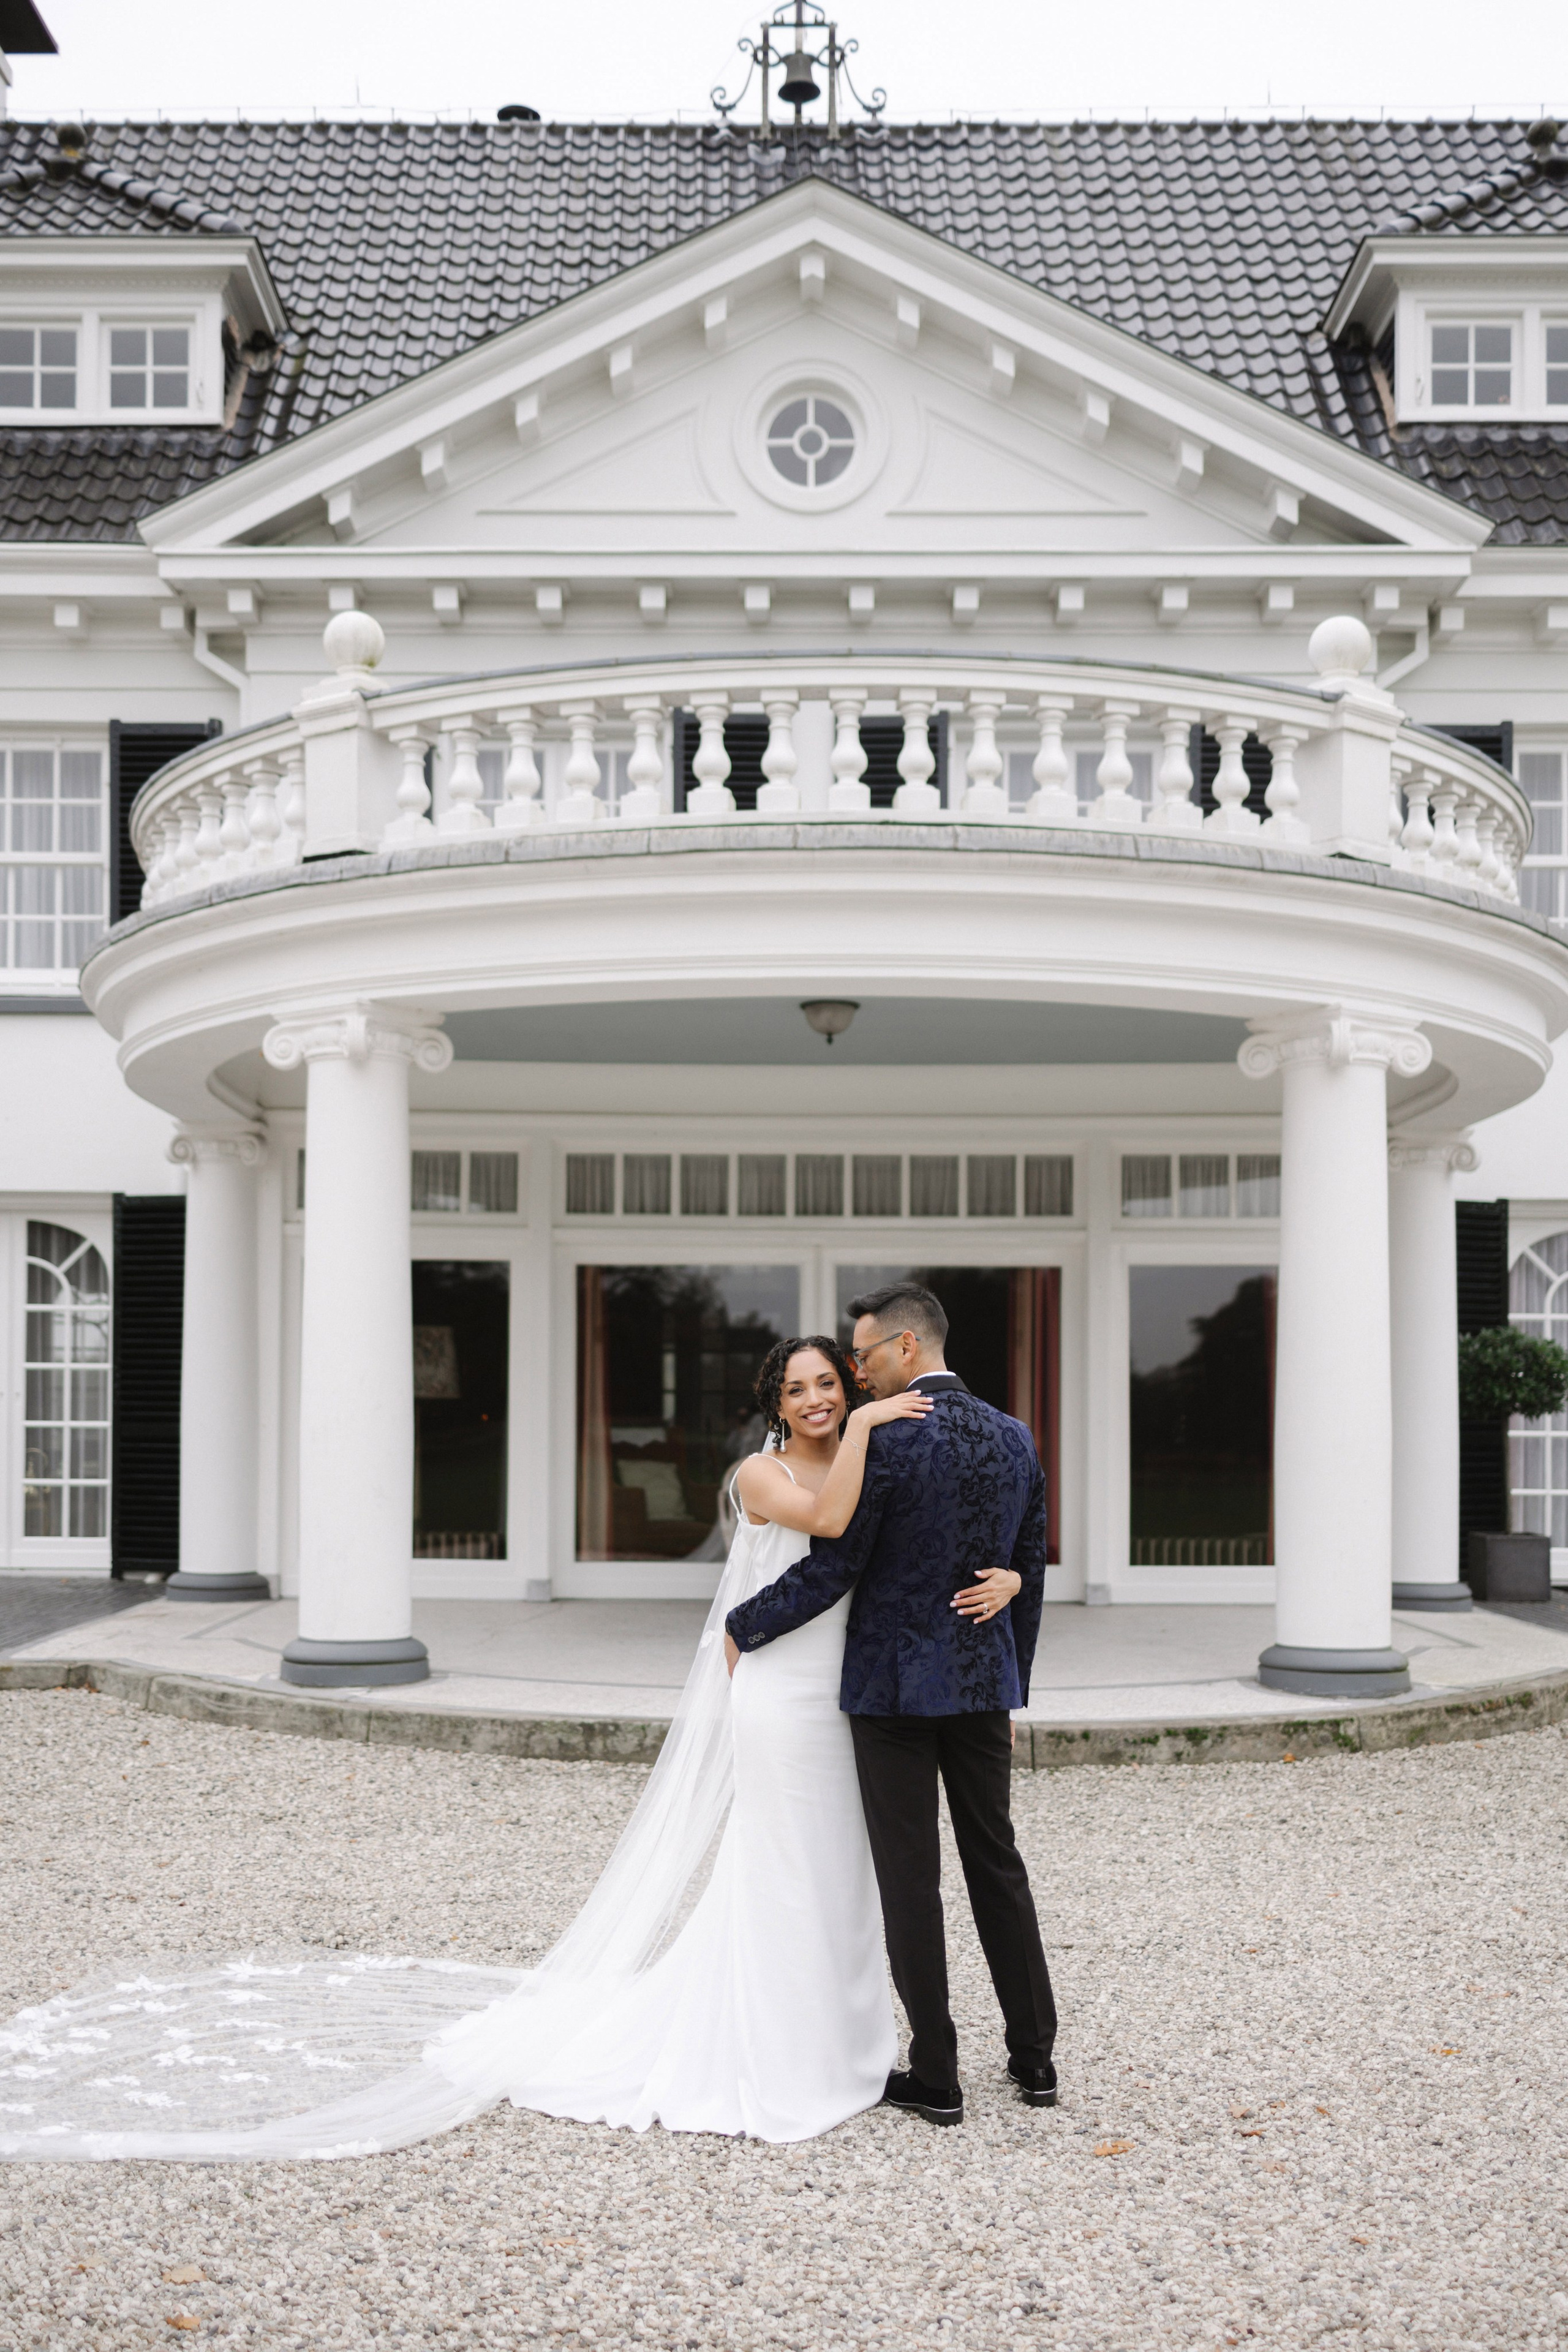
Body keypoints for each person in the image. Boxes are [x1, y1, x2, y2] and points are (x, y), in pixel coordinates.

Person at [0, 1336, 1022, 2160]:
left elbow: (913, 1548)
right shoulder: (768, 1469)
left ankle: (848, 2048)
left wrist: (1009, 1578)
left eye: (828, 1384)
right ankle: (769, 2049)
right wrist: (876, 1424)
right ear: (777, 1400)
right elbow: (830, 1523)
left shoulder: (868, 1451)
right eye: (798, 1387)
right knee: (780, 1867)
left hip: (845, 1691)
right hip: (778, 1696)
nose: (815, 1400)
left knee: (844, 1874)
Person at [725, 1281, 1057, 2128]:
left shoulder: (889, 1442)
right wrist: (1011, 1685)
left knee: (912, 1882)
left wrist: (744, 1624)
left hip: (892, 1692)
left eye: (864, 1356)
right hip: (983, 1688)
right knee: (998, 1864)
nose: (857, 1374)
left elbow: (838, 1567)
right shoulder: (1017, 1438)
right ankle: (1035, 2060)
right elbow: (1027, 1575)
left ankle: (938, 2077)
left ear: (906, 1349)